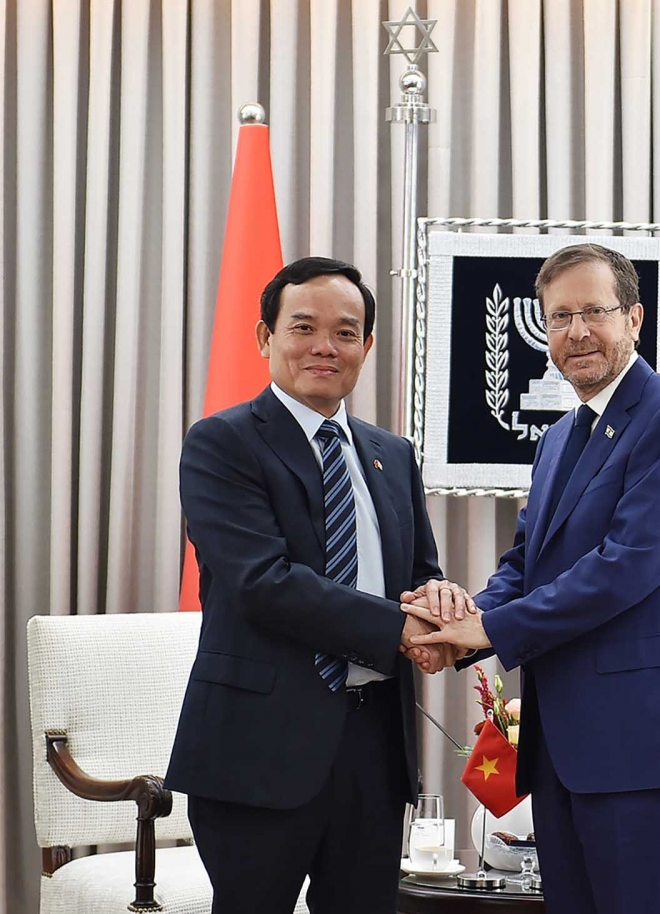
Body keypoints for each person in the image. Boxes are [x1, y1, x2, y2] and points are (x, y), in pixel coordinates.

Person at [403, 243, 660, 914]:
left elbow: (628, 567)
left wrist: (486, 628)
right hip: (566, 743)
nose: (577, 332)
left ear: (634, 319)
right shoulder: (560, 437)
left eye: (594, 311)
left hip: (649, 740)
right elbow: (526, 564)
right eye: (559, 317)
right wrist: (457, 628)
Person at [166, 256, 466, 914]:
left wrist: (442, 603)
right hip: (256, 749)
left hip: (374, 750)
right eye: (303, 327)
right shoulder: (222, 444)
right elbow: (263, 584)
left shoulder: (394, 455)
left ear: (367, 345)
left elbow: (418, 573)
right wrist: (403, 628)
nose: (325, 346)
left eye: (346, 332)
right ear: (265, 337)